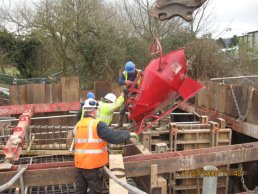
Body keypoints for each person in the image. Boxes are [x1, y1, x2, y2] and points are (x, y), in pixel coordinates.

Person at [73, 98, 137, 194]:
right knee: (95, 191)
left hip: (79, 165)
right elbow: (113, 137)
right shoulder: (98, 124)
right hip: (92, 166)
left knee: (80, 191)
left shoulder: (78, 125)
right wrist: (128, 134)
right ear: (94, 110)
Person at [117, 61, 142, 128]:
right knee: (124, 109)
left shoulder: (140, 72)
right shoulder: (124, 73)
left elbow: (146, 80)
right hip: (127, 93)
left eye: (131, 71)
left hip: (138, 93)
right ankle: (120, 125)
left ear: (134, 67)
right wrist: (124, 81)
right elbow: (119, 82)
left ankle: (132, 123)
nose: (130, 72)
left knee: (134, 109)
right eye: (129, 71)